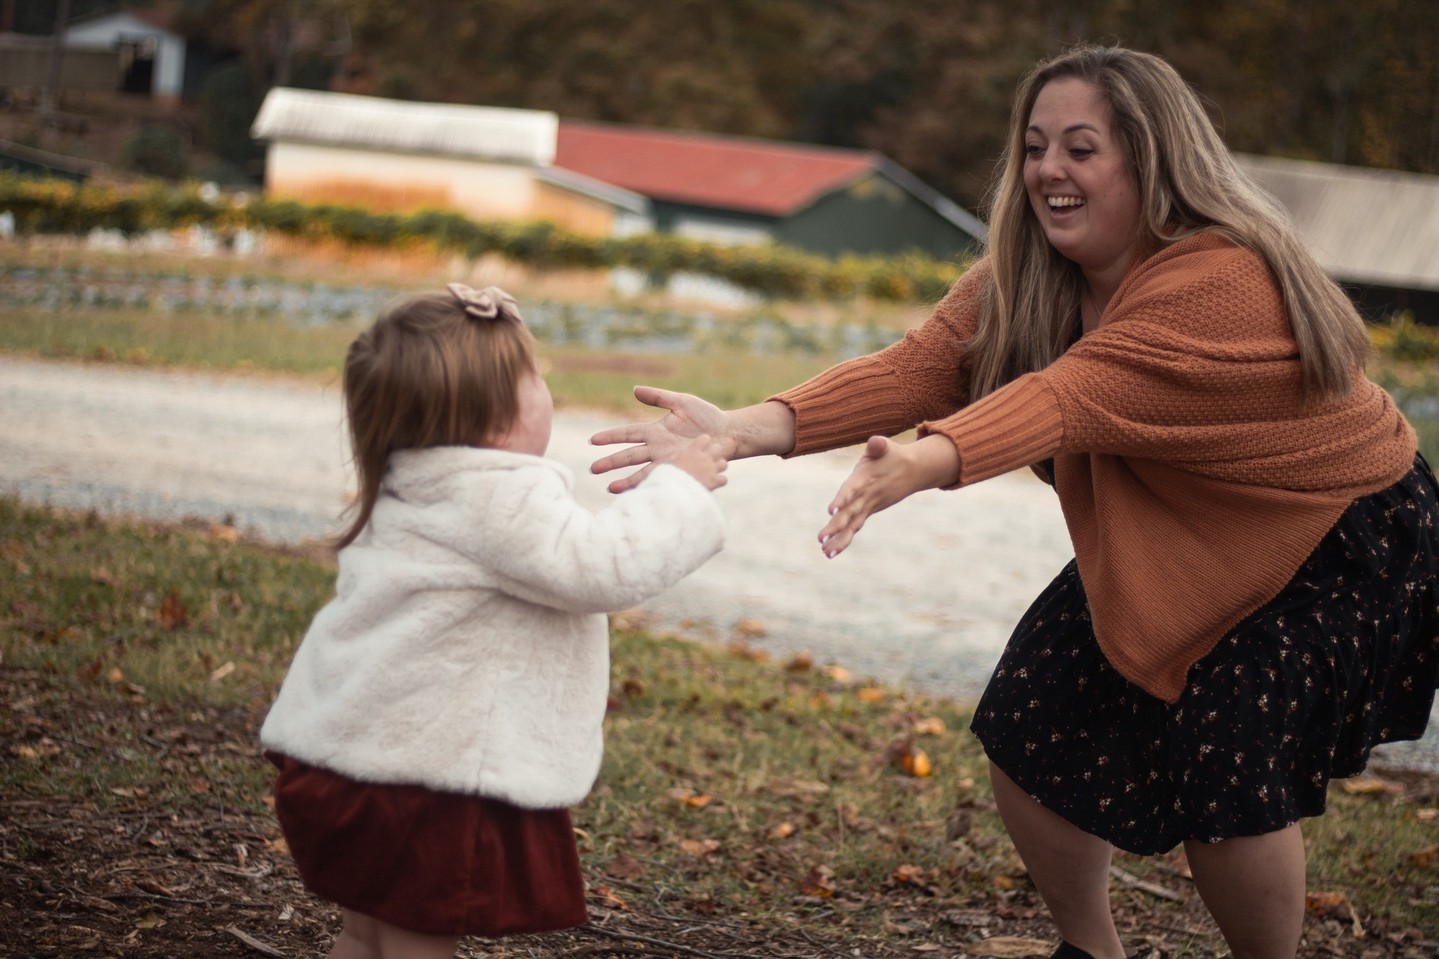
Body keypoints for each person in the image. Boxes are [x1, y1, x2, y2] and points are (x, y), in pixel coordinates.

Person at [590, 43, 1438, 959]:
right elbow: (917, 368)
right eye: (1034, 146)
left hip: (1335, 530)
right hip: (1190, 522)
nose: (1047, 170)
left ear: (1152, 161)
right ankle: (1089, 949)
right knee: (1032, 709)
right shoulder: (1028, 274)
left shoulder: (1218, 279)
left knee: (1224, 752)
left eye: (1080, 148)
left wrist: (921, 463)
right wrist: (739, 429)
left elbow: (1069, 396)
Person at [261, 283, 727, 959]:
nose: (547, 385)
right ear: (495, 413)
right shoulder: (495, 496)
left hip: (352, 761)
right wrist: (680, 487)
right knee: (417, 940)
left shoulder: (413, 478)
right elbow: (602, 564)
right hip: (426, 782)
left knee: (366, 932)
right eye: (532, 374)